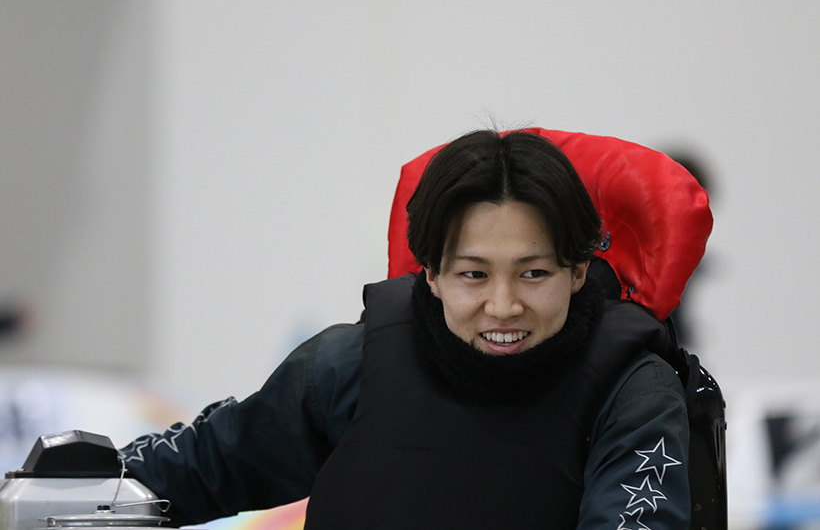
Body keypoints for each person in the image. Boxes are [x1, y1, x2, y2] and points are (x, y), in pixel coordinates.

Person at [120, 130, 692, 529]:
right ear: (432, 275)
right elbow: (203, 468)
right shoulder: (349, 364)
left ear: (579, 272)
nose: (503, 305)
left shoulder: (632, 391)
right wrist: (83, 485)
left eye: (533, 273)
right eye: (473, 274)